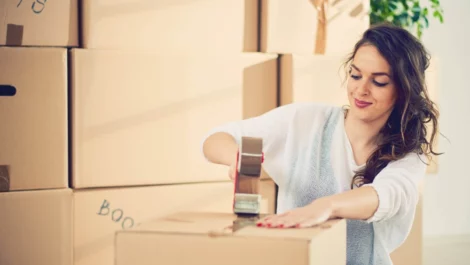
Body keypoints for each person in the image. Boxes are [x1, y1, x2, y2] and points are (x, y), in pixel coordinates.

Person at [201, 22, 440, 265]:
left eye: (378, 82)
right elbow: (216, 138)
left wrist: (326, 206)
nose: (361, 89)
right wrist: (238, 159)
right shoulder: (305, 122)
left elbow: (385, 196)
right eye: (355, 75)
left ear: (403, 90)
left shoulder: (409, 156)